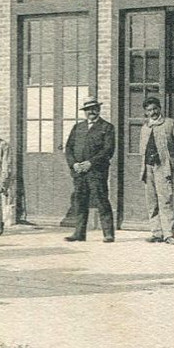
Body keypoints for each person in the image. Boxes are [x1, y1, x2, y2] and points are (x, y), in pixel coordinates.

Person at [64, 99, 117, 243]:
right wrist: (74, 164)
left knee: (101, 200)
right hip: (79, 172)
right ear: (84, 112)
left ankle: (108, 233)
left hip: (97, 172)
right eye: (88, 109)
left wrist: (91, 163)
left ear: (98, 109)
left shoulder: (107, 127)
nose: (91, 112)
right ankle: (79, 233)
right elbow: (68, 148)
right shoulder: (78, 127)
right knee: (80, 202)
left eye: (94, 108)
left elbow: (108, 150)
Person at [139, 96, 174, 244]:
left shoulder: (170, 124)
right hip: (148, 168)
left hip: (163, 168)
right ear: (145, 112)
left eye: (154, 109)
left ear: (159, 109)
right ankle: (156, 232)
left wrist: (173, 164)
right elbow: (142, 149)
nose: (152, 112)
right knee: (151, 202)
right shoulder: (145, 128)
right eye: (149, 110)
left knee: (165, 200)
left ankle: (168, 234)